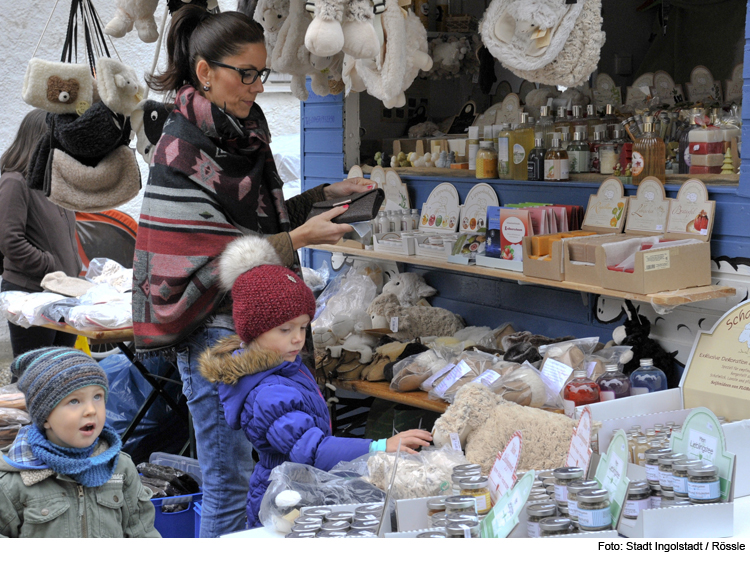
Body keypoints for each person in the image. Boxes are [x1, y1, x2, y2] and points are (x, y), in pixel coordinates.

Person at [135, 6, 374, 537]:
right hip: (211, 334)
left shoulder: (242, 136)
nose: (258, 87)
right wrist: (295, 240)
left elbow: (248, 220)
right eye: (246, 74)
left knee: (260, 481)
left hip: (248, 322)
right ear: (204, 72)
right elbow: (204, 254)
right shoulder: (182, 147)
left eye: (263, 74)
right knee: (232, 480)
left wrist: (322, 198)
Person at [199, 236, 433, 527]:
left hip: (301, 488)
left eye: (302, 326)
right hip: (283, 501)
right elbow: (314, 451)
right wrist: (380, 446)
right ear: (253, 332)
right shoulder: (267, 394)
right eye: (285, 329)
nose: (298, 338)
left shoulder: (282, 365)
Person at [0, 347, 160, 538]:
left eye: (97, 397)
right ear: (45, 418)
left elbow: (143, 533)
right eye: (75, 401)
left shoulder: (120, 468)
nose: (91, 410)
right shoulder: (15, 480)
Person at [0, 109, 81, 364]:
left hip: (63, 293)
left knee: (60, 376)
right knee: (32, 375)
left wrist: (74, 268)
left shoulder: (53, 184)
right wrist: (50, 265)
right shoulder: (14, 182)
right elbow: (10, 241)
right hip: (31, 295)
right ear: (39, 140)